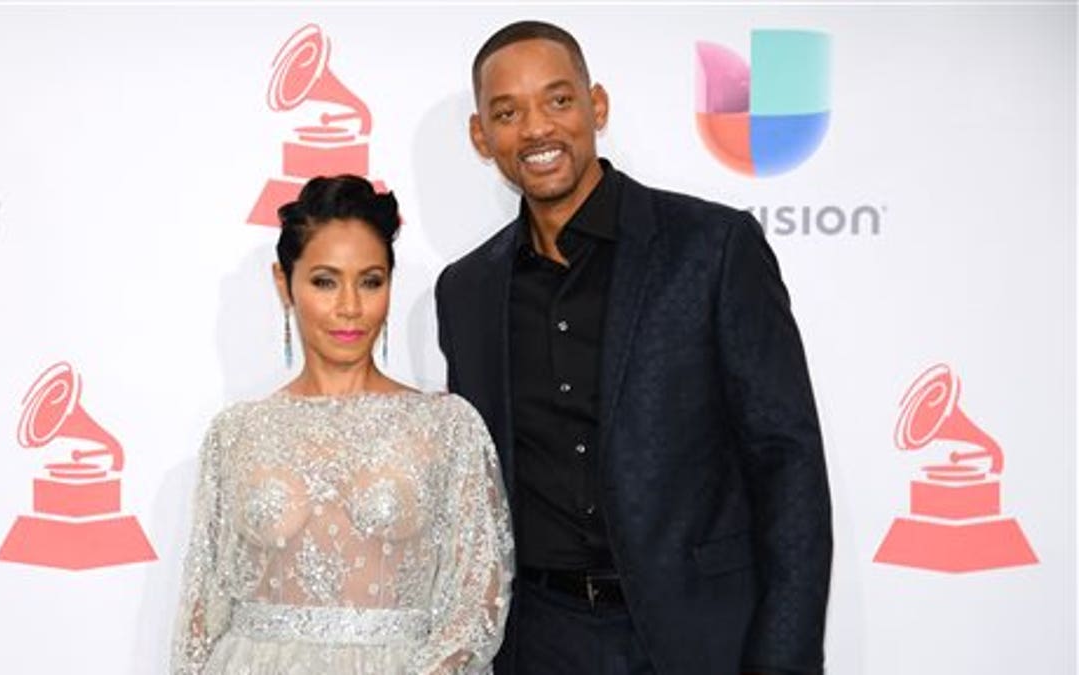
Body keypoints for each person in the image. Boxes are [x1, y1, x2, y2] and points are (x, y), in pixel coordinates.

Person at [434, 21, 832, 675]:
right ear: (482, 136)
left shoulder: (711, 248)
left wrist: (783, 658)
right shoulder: (466, 290)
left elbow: (787, 466)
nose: (536, 129)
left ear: (598, 105)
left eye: (558, 100)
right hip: (539, 641)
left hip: (699, 638)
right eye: (507, 112)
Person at [173, 175, 514, 675]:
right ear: (283, 283)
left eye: (371, 281)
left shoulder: (447, 428)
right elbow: (202, 610)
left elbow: (478, 601)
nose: (350, 306)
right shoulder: (237, 433)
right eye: (325, 281)